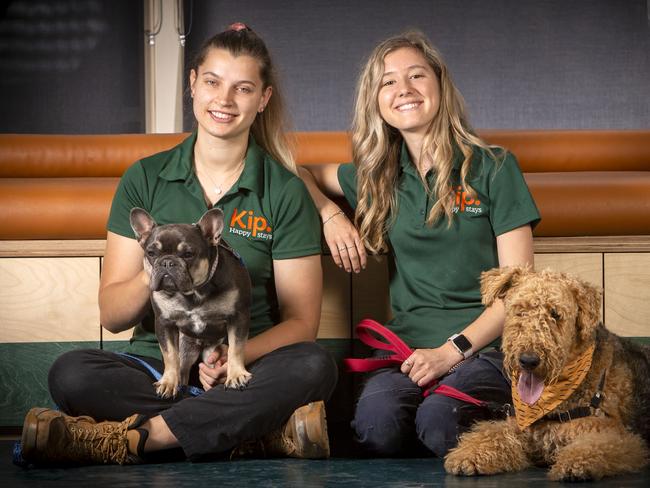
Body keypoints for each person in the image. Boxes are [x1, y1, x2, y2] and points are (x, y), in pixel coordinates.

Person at [20, 23, 337, 466]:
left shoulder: (283, 190)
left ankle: (136, 438)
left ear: (263, 99)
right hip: (158, 368)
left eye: (243, 88)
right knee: (71, 373)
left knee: (314, 366)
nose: (224, 100)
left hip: (244, 367)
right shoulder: (145, 177)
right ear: (193, 84)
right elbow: (112, 316)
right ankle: (254, 433)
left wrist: (231, 359)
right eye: (212, 82)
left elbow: (302, 323)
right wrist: (159, 266)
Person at [299, 30, 540, 457]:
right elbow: (298, 171)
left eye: (416, 76)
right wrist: (331, 214)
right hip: (407, 350)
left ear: (440, 85)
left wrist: (452, 353)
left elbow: (519, 291)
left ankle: (514, 426)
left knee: (440, 424)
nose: (404, 90)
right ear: (376, 100)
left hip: (487, 348)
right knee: (378, 428)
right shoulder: (378, 179)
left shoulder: (494, 167)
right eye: (388, 82)